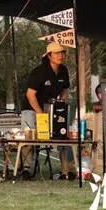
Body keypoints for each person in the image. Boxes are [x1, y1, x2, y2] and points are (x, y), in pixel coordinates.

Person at [23, 42, 75, 180]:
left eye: (62, 53)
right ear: (49, 56)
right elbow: (30, 95)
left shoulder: (64, 70)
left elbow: (65, 89)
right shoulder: (39, 72)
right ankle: (26, 169)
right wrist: (40, 113)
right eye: (56, 53)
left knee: (63, 133)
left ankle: (66, 170)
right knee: (29, 135)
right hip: (32, 107)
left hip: (51, 108)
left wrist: (60, 103)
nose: (60, 56)